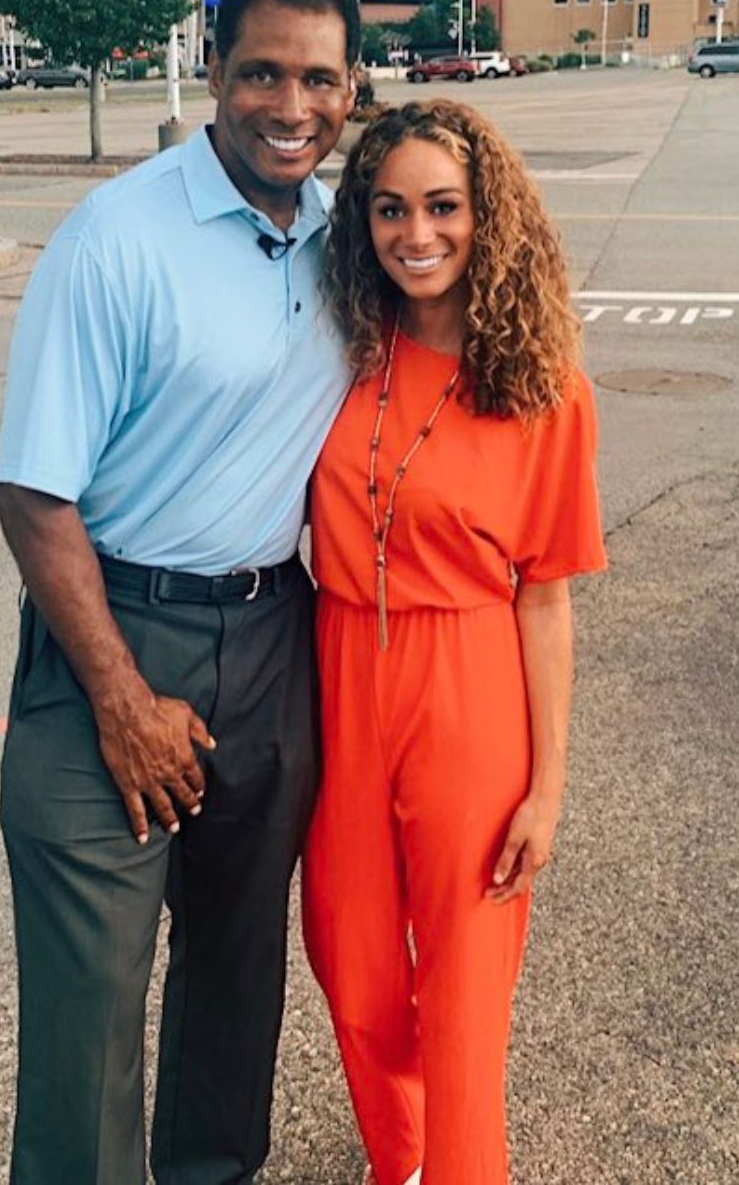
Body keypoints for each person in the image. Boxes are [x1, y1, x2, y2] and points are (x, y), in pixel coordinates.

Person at [0, 0, 358, 1185]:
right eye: (261, 72)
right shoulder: (117, 239)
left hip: (270, 641)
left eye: (317, 77)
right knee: (89, 1013)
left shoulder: (338, 238)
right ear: (214, 73)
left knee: (237, 979)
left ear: (351, 89)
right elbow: (34, 493)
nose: (288, 104)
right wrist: (119, 700)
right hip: (113, 631)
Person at [302, 98, 608, 1185]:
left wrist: (547, 789)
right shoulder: (341, 353)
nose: (414, 234)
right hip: (339, 670)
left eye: (442, 207)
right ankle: (406, 1155)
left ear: (489, 217)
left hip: (469, 689)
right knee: (351, 961)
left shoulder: (542, 391)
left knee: (468, 991)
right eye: (389, 210)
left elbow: (545, 598)